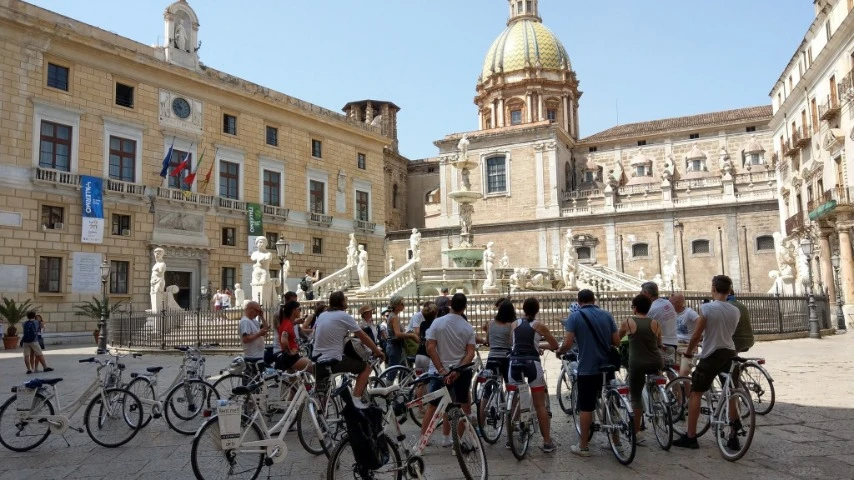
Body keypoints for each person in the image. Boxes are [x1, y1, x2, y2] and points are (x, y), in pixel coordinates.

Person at [673, 275, 741, 450]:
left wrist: (688, 352)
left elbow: (696, 335)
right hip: (730, 352)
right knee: (731, 392)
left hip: (712, 353)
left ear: (713, 288)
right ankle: (734, 435)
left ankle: (691, 436)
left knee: (696, 392)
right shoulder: (735, 310)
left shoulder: (707, 308)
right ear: (729, 290)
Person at [556, 289, 619, 457]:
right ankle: (616, 441)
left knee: (586, 407)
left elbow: (568, 343)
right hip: (607, 366)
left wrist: (560, 350)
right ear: (594, 299)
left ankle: (583, 446)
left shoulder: (575, 317)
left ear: (579, 301)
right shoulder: (607, 315)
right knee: (611, 401)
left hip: (588, 368)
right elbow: (616, 341)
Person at [421, 293, 476, 448]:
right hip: (461, 372)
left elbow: (430, 347)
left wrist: (441, 369)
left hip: (440, 372)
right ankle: (455, 442)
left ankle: (423, 440)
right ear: (465, 307)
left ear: (451, 303)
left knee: (434, 406)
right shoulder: (467, 327)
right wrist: (457, 370)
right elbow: (470, 352)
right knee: (462, 406)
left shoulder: (437, 323)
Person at [313, 291, 385, 408]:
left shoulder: (322, 315)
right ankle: (356, 400)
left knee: (322, 396)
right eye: (345, 300)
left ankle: (320, 417)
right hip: (334, 360)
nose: (346, 302)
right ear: (342, 302)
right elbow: (363, 336)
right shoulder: (343, 316)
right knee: (366, 368)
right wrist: (377, 351)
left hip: (317, 359)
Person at [508, 297, 559, 452]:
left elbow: (514, 342)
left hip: (514, 363)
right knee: (539, 404)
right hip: (532, 364)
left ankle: (510, 439)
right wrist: (539, 346)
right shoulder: (539, 326)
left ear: (523, 309)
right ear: (537, 310)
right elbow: (555, 345)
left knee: (514, 401)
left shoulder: (514, 324)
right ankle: (547, 442)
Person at [618, 294, 664, 436]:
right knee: (656, 383)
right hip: (656, 361)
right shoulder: (655, 323)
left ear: (635, 308)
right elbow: (659, 343)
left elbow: (617, 339)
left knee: (636, 396)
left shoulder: (628, 322)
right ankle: (659, 400)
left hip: (637, 363)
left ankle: (636, 431)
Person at [641, 282, 677, 364]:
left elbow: (644, 327)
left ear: (647, 293)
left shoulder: (651, 309)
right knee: (670, 370)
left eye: (642, 293)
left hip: (661, 344)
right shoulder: (668, 303)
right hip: (673, 342)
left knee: (656, 371)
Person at [272, 301, 311, 372]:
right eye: (299, 309)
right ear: (293, 310)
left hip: (289, 357)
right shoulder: (288, 324)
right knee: (314, 367)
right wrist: (289, 351)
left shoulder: (288, 323)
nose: (300, 311)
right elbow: (283, 340)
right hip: (291, 358)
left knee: (295, 381)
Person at [483, 299, 514, 383]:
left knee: (489, 384)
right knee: (510, 385)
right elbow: (512, 342)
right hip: (506, 357)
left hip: (492, 356)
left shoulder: (491, 323)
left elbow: (487, 341)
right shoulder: (512, 325)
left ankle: (486, 396)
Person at [670, 293, 700, 375]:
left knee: (683, 373)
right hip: (675, 345)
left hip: (687, 345)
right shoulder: (672, 313)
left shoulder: (690, 313)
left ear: (678, 303)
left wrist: (699, 336)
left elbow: (700, 322)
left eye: (671, 302)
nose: (669, 304)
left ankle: (686, 387)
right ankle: (682, 388)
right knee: (672, 372)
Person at [385, 295, 418, 367]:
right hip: (395, 346)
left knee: (404, 369)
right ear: (397, 305)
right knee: (393, 372)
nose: (404, 305)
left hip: (395, 345)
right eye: (402, 303)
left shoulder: (393, 315)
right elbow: (398, 334)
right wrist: (412, 335)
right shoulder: (394, 317)